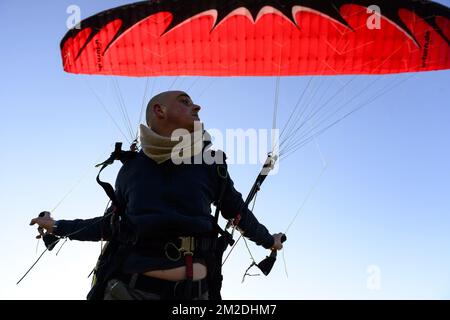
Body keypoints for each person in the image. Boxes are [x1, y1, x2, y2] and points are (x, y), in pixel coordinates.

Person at [30, 90, 284, 300]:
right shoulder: (131, 169)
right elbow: (109, 226)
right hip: (130, 291)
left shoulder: (210, 164)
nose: (197, 107)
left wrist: (269, 241)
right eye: (185, 102)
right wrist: (58, 226)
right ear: (159, 111)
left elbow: (238, 214)